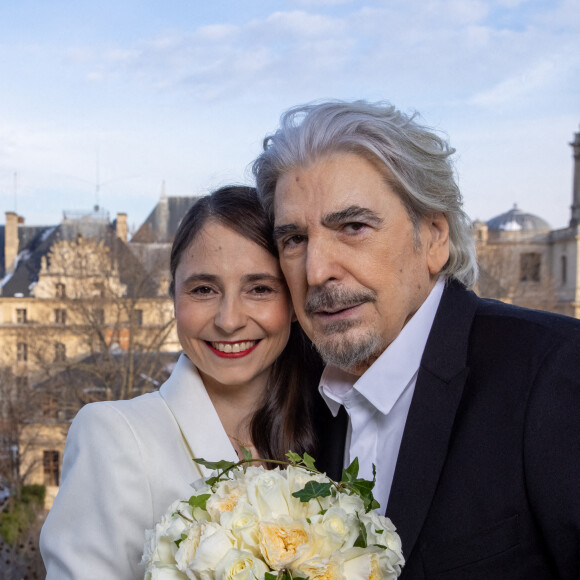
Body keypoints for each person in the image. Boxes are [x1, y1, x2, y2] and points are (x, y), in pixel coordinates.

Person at [252, 100, 580, 579]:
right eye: (294, 240)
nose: (317, 270)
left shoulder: (554, 372)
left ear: (433, 237)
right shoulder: (293, 395)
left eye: (354, 226)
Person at [40, 185, 322, 579]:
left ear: (293, 303)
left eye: (259, 289)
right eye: (203, 289)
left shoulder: (332, 429)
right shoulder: (113, 437)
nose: (229, 319)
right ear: (173, 298)